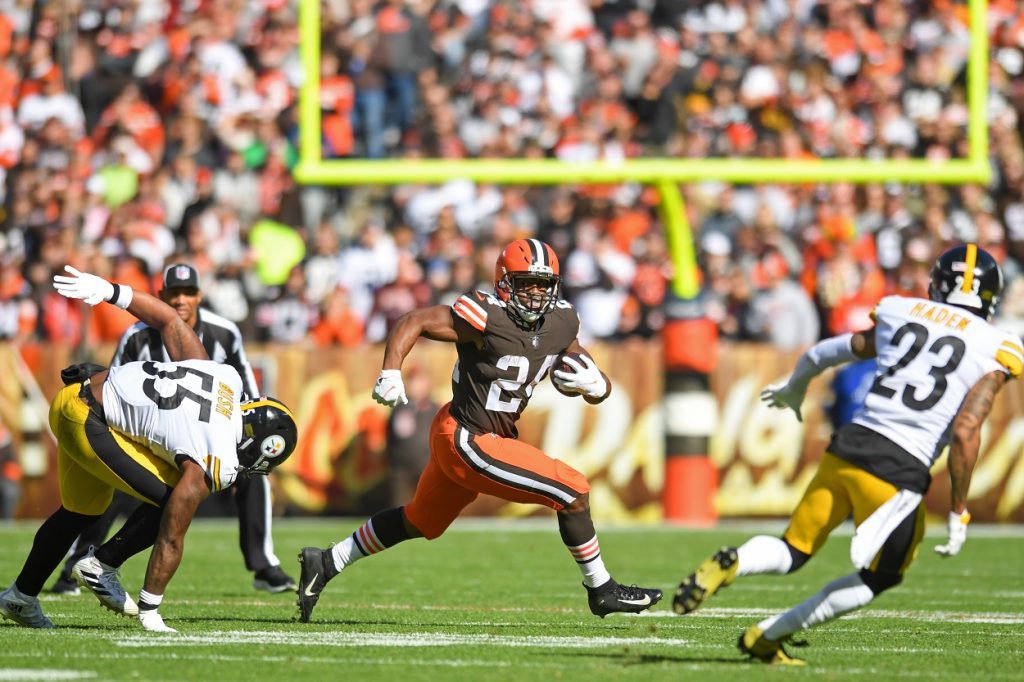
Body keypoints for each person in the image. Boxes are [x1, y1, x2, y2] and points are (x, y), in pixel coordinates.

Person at [671, 244, 1022, 665]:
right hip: (899, 470)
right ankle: (767, 636)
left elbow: (824, 352)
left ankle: (735, 560)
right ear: (991, 295)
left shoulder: (903, 311)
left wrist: (792, 390)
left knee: (793, 550)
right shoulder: (997, 343)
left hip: (850, 446)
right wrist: (959, 509)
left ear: (937, 283)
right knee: (881, 576)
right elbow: (966, 429)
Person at [296, 239, 662, 622]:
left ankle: (326, 561)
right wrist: (390, 370)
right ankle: (601, 589)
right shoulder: (486, 315)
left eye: (544, 284)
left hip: (475, 436)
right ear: (505, 282)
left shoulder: (562, 322)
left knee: (420, 521)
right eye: (526, 283)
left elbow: (580, 368)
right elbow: (414, 321)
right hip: (467, 436)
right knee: (572, 489)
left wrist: (598, 386)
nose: (536, 293)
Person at [0, 265, 299, 632]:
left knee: (80, 511)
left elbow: (170, 322)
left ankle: (21, 596)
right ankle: (102, 564)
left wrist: (110, 291)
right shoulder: (219, 455)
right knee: (177, 498)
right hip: (87, 418)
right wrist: (150, 609)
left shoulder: (224, 376)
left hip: (74, 398)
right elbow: (172, 536)